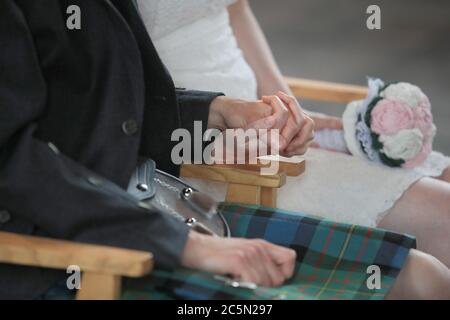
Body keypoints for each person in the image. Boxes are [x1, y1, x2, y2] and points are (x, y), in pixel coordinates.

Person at [1, 0, 449, 300]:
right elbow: (14, 167)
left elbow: (105, 106)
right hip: (70, 254)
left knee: (425, 277)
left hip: (146, 196)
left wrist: (218, 110)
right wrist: (185, 245)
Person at [137, 0, 450, 268]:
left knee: (445, 175)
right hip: (202, 148)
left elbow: (235, 8)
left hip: (262, 113)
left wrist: (287, 105)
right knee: (443, 214)